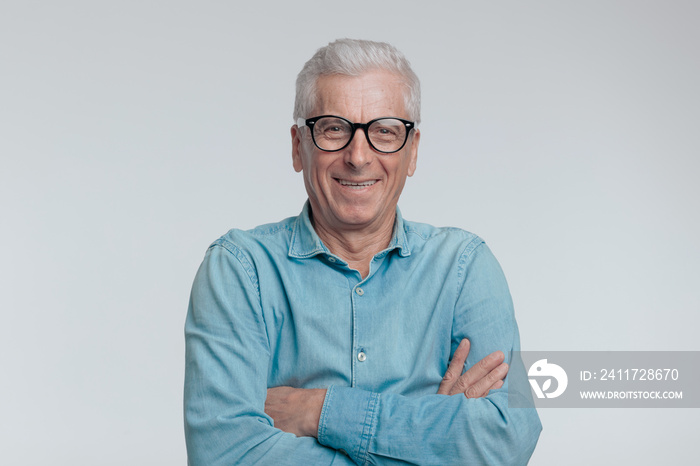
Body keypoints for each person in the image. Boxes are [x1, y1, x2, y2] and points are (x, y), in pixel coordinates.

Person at [184, 38, 541, 465]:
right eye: (333, 129)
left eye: (384, 131)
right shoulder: (239, 270)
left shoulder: (465, 267)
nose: (358, 156)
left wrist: (318, 411)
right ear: (299, 146)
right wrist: (432, 435)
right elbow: (224, 455)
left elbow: (508, 440)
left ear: (412, 152)